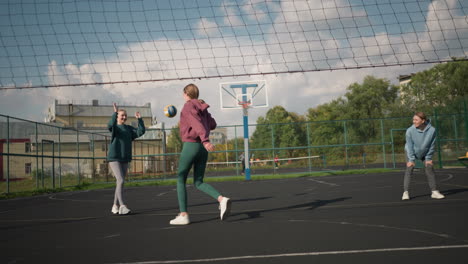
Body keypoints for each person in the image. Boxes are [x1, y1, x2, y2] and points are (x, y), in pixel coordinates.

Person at [170, 84, 232, 225]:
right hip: (202, 150)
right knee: (198, 182)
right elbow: (213, 124)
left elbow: (195, 123)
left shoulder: (187, 106)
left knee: (181, 178)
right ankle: (222, 199)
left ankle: (183, 215)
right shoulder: (203, 107)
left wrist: (205, 140)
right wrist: (204, 116)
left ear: (186, 93)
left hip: (192, 145)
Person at [107, 102, 145, 215]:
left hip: (125, 158)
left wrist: (140, 120)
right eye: (121, 115)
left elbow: (140, 132)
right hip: (114, 158)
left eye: (125, 115)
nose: (124, 117)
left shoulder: (128, 128)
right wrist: (114, 113)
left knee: (120, 183)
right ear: (117, 117)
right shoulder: (115, 128)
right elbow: (110, 125)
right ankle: (122, 206)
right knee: (121, 180)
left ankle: (115, 205)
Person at [402, 112, 445, 201]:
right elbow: (409, 146)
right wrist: (411, 159)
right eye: (413, 119)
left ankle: (434, 192)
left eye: (416, 120)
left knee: (429, 167)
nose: (414, 121)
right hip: (411, 151)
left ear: (423, 121)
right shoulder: (410, 130)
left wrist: (428, 158)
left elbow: (432, 145)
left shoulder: (432, 130)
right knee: (409, 168)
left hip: (425, 152)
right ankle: (405, 192)